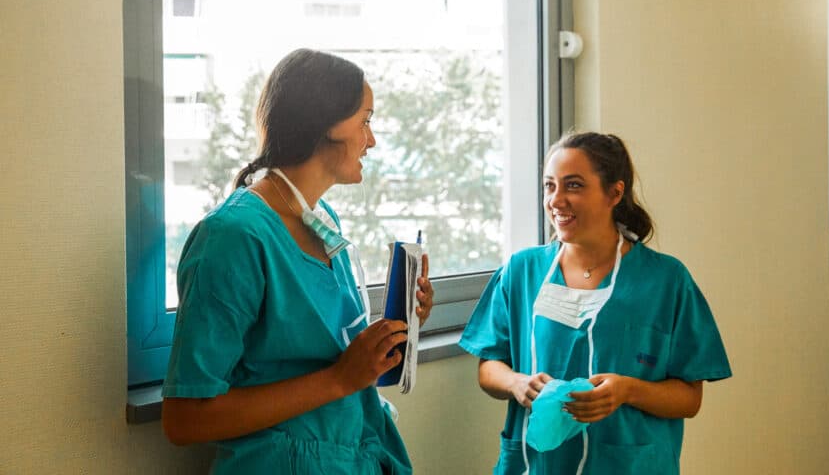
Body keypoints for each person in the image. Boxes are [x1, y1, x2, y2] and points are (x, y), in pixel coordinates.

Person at [161, 48, 434, 474]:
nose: (372, 139)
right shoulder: (233, 238)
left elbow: (325, 348)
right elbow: (185, 419)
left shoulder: (323, 223)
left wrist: (396, 331)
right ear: (326, 122)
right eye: (365, 120)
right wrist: (339, 380)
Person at [459, 132, 731, 474]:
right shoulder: (521, 271)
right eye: (549, 186)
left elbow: (690, 398)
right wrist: (516, 383)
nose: (556, 200)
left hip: (627, 464)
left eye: (573, 186)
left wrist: (627, 390)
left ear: (615, 193)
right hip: (536, 465)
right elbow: (489, 366)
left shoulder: (666, 281)